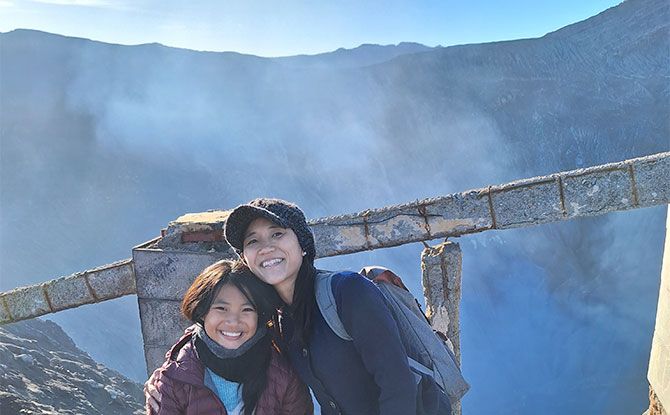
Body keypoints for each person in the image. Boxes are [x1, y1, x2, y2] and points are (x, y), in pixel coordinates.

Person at [148, 198, 418, 414]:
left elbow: (398, 385)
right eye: (253, 241)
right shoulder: (277, 317)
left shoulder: (347, 292)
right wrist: (166, 376)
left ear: (302, 244)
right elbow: (214, 327)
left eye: (277, 234)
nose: (266, 247)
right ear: (245, 258)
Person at [147, 258, 313, 415]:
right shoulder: (175, 378)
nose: (233, 322)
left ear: (260, 317)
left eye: (247, 309)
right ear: (202, 312)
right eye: (221, 309)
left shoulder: (283, 375)